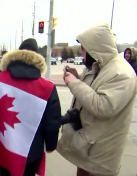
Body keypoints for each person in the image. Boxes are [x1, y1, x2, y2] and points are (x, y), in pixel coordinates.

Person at [57, 23, 137, 176]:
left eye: (83, 48)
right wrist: (79, 78)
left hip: (101, 153)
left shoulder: (121, 73)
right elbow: (94, 90)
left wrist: (74, 83)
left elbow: (103, 106)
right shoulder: (100, 66)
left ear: (95, 48)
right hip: (89, 147)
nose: (81, 52)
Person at [0, 47, 61, 176]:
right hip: (33, 150)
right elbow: (52, 121)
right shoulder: (48, 87)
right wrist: (50, 144)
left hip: (4, 146)